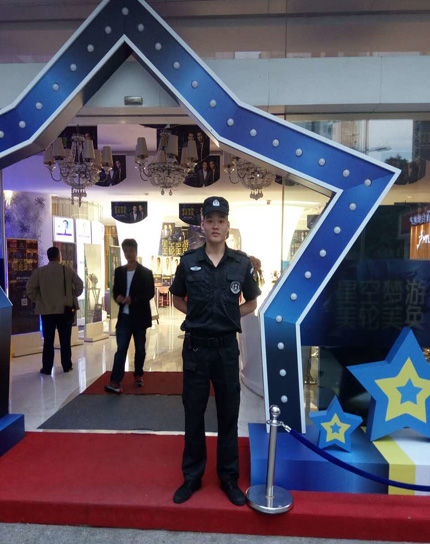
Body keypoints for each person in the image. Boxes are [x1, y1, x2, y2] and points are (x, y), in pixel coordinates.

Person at [170, 196, 261, 506]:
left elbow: (252, 302)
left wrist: (230, 317)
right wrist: (197, 316)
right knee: (193, 413)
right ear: (203, 225)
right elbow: (177, 298)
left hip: (225, 350)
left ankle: (228, 478)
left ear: (227, 226)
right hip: (196, 349)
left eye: (221, 221)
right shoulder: (188, 262)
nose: (215, 226)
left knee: (228, 414)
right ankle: (192, 477)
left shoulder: (241, 263)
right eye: (210, 220)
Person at [105, 239, 155, 394]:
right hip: (124, 318)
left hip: (139, 318)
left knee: (140, 349)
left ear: (136, 251)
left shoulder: (146, 273)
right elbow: (115, 291)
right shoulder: (119, 271)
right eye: (126, 251)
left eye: (131, 250)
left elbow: (149, 293)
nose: (128, 254)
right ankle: (115, 381)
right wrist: (118, 297)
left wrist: (133, 299)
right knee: (121, 349)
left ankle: (138, 374)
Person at [26, 246, 83, 374]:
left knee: (48, 341)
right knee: (65, 340)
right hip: (64, 311)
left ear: (48, 257)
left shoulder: (40, 272)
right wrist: (72, 295)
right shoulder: (67, 270)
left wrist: (39, 300)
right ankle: (66, 365)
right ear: (59, 256)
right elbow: (79, 284)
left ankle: (47, 368)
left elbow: (30, 289)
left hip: (47, 311)